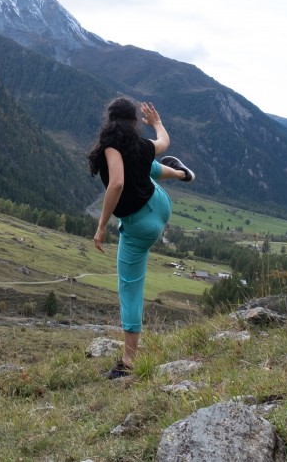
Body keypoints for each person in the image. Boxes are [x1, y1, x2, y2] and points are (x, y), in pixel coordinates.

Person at [87, 98, 194, 380]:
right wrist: (157, 122)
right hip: (160, 205)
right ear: (134, 122)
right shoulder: (140, 144)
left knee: (130, 289)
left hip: (140, 226)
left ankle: (129, 361)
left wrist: (101, 226)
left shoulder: (111, 146)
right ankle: (181, 173)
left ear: (110, 121)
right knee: (145, 165)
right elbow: (164, 142)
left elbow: (117, 183)